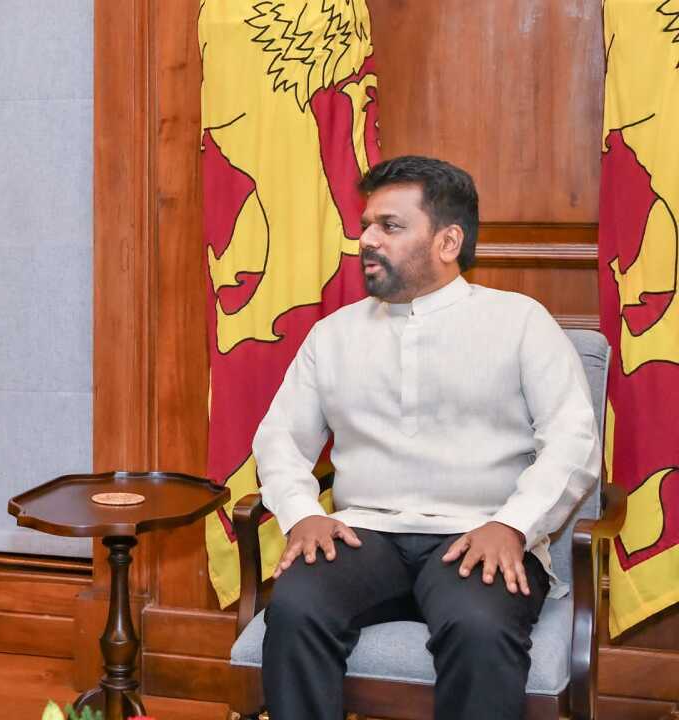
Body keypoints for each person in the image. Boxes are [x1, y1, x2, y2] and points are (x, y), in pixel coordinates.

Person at [251, 155, 598, 720]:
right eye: (366, 224)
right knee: (295, 608)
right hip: (364, 537)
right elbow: (279, 438)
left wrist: (513, 524)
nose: (365, 239)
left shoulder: (519, 322)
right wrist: (301, 513)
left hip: (478, 535)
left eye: (389, 226)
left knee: (479, 626)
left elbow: (573, 439)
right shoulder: (332, 335)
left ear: (447, 241)